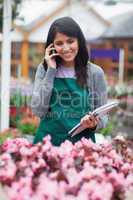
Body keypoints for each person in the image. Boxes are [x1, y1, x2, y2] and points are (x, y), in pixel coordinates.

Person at [31, 16, 108, 146]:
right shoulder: (44, 69)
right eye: (59, 43)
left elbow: (104, 117)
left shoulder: (95, 72)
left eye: (70, 41)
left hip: (81, 147)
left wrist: (94, 123)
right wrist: (51, 70)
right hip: (48, 144)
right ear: (52, 46)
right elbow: (38, 110)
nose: (66, 48)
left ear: (79, 42)